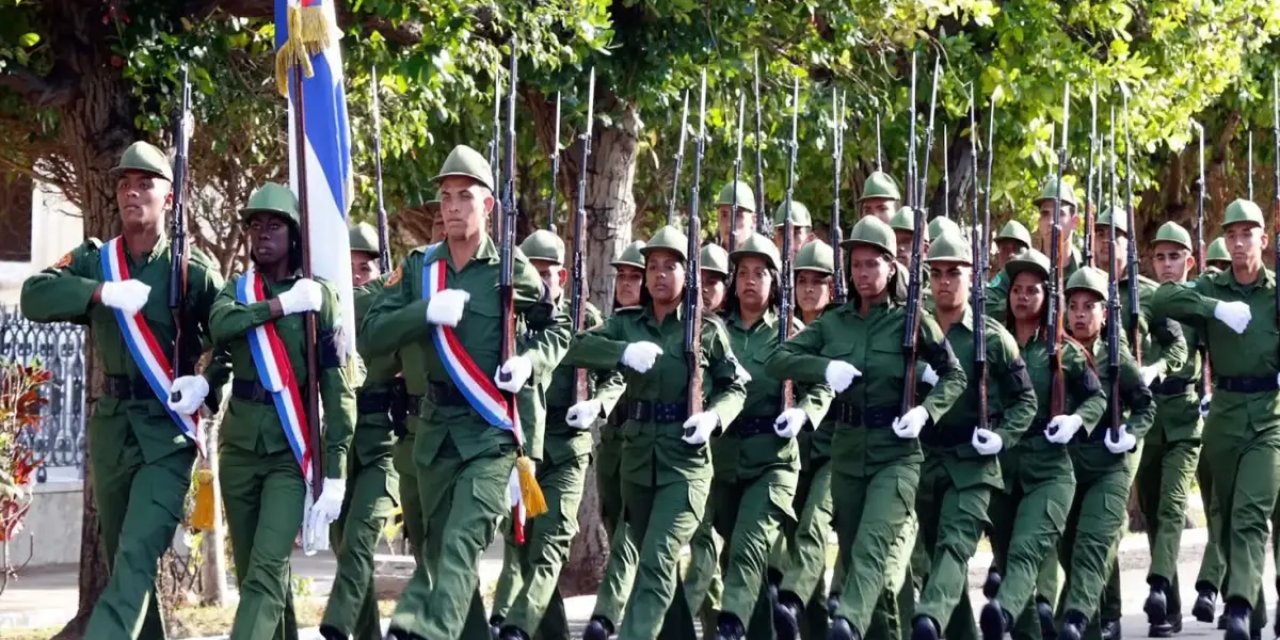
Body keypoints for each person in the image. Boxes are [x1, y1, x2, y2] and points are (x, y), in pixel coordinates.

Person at [20, 140, 229, 639]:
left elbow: (234, 341)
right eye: (124, 184)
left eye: (145, 184)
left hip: (167, 434)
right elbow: (33, 296)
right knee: (124, 561)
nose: (132, 193)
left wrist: (207, 382)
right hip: (112, 427)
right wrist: (100, 292)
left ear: (169, 197)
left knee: (136, 554)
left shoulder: (193, 270)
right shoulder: (97, 261)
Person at [362, 145, 570, 640]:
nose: (452, 207)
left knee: (460, 543)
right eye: (446, 197)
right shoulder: (419, 268)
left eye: (464, 196)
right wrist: (423, 312)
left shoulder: (510, 268)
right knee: (436, 551)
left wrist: (529, 362)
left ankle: (426, 631)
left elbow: (557, 327)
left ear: (488, 205)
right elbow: (371, 335)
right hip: (435, 433)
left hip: (490, 435)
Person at [766, 216, 967, 640]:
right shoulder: (833, 322)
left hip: (897, 454)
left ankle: (847, 623)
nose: (862, 273)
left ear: (891, 267)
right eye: (855, 264)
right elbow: (779, 360)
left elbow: (955, 375)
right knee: (861, 559)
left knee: (872, 548)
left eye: (871, 264)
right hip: (847, 450)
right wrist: (825, 368)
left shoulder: (911, 320)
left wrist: (926, 412)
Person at [566, 225, 749, 640]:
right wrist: (622, 352)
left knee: (656, 561)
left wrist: (714, 418)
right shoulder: (627, 324)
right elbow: (576, 347)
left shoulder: (705, 330)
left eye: (670, 266)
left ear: (688, 274)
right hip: (637, 464)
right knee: (654, 562)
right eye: (652, 267)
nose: (660, 274)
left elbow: (736, 386)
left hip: (685, 466)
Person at [209, 182, 356, 639]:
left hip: (289, 453)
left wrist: (336, 469)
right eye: (255, 225)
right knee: (254, 572)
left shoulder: (318, 297)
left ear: (294, 235)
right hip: (239, 449)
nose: (262, 233)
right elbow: (220, 324)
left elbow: (337, 388)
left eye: (274, 225)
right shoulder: (239, 290)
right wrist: (277, 306)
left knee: (266, 571)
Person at [909, 233, 1036, 640]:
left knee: (954, 546)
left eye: (954, 272)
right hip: (928, 459)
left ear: (972, 277)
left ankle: (928, 618)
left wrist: (1002, 437)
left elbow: (1025, 400)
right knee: (938, 559)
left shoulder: (993, 337)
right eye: (936, 273)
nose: (944, 281)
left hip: (974, 464)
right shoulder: (914, 330)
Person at [1150, 199, 1267, 640]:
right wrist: (1215, 308)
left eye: (1246, 234)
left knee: (1245, 512)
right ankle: (1246, 607)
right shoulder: (1207, 290)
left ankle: (1232, 601)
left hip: (1258, 416)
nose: (1238, 243)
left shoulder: (1271, 292)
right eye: (1231, 235)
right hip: (1215, 414)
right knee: (1222, 511)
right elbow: (1163, 298)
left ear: (1263, 240)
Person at [707, 232, 832, 640]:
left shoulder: (790, 331)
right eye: (742, 273)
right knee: (740, 560)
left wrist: (803, 413)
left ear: (774, 282)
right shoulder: (714, 331)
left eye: (759, 273)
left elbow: (822, 385)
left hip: (773, 461)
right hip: (724, 458)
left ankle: (730, 626)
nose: (749, 280)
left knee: (749, 545)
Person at [977, 250, 1105, 640]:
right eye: (1017, 289)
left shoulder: (1064, 350)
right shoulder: (992, 343)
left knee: (1026, 551)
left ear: (1048, 297)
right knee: (1007, 558)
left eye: (1032, 290)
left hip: (1049, 468)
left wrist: (1076, 420)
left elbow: (1097, 398)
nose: (1022, 296)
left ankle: (1001, 612)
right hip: (1002, 465)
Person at [495, 229, 607, 640]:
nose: (540, 282)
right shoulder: (512, 318)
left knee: (551, 545)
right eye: (532, 272)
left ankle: (515, 628)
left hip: (567, 449)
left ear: (563, 276)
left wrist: (598, 403)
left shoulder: (585, 318)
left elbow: (613, 373)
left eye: (547, 273)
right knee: (525, 551)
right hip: (525, 451)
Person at [1051, 267, 1156, 640]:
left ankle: (1076, 618)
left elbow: (1145, 405)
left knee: (1092, 543)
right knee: (1068, 548)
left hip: (1108, 464)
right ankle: (1094, 621)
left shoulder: (1115, 356)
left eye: (1089, 307)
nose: (1080, 314)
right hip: (1066, 465)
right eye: (1073, 306)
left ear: (1105, 313)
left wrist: (1130, 434)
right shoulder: (1055, 352)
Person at [319, 223, 402, 640]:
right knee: (344, 546)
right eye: (346, 268)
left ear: (380, 272)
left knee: (359, 540)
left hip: (383, 441)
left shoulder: (388, 308)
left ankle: (335, 626)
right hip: (338, 442)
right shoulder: (328, 311)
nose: (354, 277)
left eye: (364, 269)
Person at [1136, 222, 1205, 637]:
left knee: (1173, 506)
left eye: (1174, 257)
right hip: (1146, 420)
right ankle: (1169, 606)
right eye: (1160, 257)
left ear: (1189, 261)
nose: (1166, 265)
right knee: (1152, 512)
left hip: (1184, 419)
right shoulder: (1141, 300)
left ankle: (1158, 585)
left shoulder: (1199, 303)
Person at [774, 240, 841, 640]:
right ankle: (811, 625)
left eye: (819, 281)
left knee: (813, 527)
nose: (810, 289)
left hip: (837, 449)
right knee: (796, 537)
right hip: (794, 453)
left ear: (833, 287)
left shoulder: (842, 329)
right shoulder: (784, 329)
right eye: (802, 281)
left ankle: (790, 598)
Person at [584, 240, 648, 633]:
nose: (625, 283)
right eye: (621, 275)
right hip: (613, 439)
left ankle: (607, 615)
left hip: (645, 441)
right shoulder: (611, 326)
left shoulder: (657, 326)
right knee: (614, 522)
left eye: (634, 276)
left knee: (629, 530)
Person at [686, 240, 732, 637]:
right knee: (703, 540)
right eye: (699, 279)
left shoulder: (726, 331)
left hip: (732, 453)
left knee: (717, 545)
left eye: (714, 281)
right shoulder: (684, 325)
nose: (705, 288)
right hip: (694, 452)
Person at [717, 181, 759, 248]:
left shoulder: (767, 253)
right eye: (724, 215)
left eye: (737, 215)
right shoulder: (707, 254)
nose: (729, 223)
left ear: (753, 220)